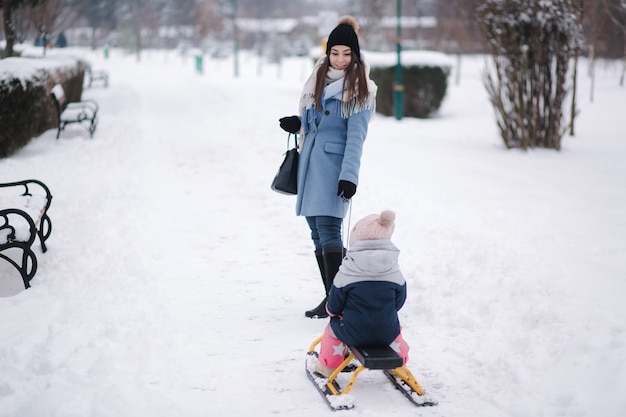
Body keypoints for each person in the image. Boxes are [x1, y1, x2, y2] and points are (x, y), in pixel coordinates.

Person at [279, 15, 377, 319]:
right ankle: (332, 298)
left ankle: (341, 303)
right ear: (328, 52)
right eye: (335, 52)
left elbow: (355, 138)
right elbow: (314, 119)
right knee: (316, 233)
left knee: (329, 230)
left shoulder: (361, 89)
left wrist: (349, 176)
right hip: (310, 165)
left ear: (356, 55)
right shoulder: (319, 77)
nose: (341, 59)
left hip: (334, 169)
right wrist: (299, 123)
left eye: (347, 53)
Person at [314, 210, 410, 377]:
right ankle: (398, 362)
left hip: (353, 332)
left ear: (356, 238)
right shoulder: (394, 271)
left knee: (333, 328)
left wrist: (332, 312)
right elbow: (399, 303)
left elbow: (334, 306)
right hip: (387, 331)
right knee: (395, 329)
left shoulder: (347, 270)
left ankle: (328, 366)